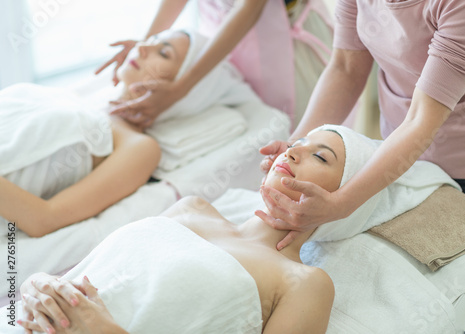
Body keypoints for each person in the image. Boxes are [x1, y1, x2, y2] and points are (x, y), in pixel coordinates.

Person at [258, 0, 465, 332]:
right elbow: (345, 66)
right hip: (396, 145)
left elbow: (421, 119)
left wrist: (340, 204)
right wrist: (296, 143)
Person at [16, 128, 345, 334]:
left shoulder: (304, 283)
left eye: (319, 156)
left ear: (343, 196)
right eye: (298, 141)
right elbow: (87, 274)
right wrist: (39, 286)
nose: (292, 150)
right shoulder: (193, 209)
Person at [0, 30, 192, 238]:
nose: (142, 48)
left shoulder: (139, 146)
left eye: (163, 53)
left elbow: (45, 219)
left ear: (183, 86)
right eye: (150, 41)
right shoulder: (75, 98)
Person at [96, 0, 334, 128]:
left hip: (289, 48)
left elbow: (250, 6)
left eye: (164, 52)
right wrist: (144, 44)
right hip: (221, 38)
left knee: (299, 137)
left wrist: (179, 90)